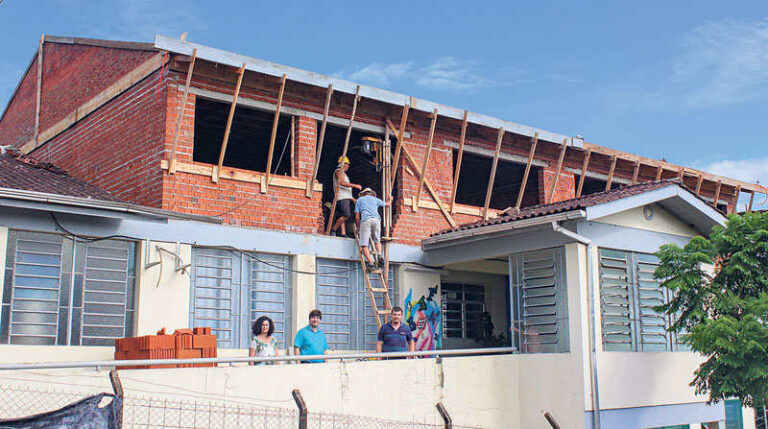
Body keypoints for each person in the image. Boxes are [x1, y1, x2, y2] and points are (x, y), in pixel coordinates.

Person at [355, 188, 392, 269]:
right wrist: (391, 199)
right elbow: (387, 204)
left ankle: (371, 262)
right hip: (376, 220)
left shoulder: (359, 200)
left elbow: (357, 216)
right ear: (371, 193)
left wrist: (359, 227)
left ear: (363, 194)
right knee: (377, 240)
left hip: (366, 220)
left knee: (364, 244)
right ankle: (379, 255)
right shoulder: (375, 199)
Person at [331, 156, 362, 237]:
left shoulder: (343, 173)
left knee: (342, 216)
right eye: (347, 164)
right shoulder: (339, 171)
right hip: (341, 198)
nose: (348, 166)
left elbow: (345, 190)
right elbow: (342, 183)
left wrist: (352, 198)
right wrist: (355, 185)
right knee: (346, 215)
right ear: (343, 164)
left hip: (344, 197)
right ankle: (333, 229)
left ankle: (343, 233)